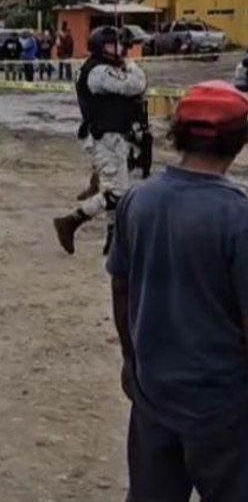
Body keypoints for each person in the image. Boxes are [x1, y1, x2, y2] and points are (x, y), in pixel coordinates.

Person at [107, 81, 248, 501]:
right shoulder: (238, 217)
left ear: (177, 133)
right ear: (240, 141)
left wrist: (132, 361)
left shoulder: (138, 200)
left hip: (153, 393)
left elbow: (121, 289)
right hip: (222, 406)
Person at [53, 26, 146, 255]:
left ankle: (113, 241)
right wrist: (131, 65)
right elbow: (134, 85)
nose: (118, 49)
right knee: (117, 193)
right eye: (112, 45)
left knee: (115, 188)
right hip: (106, 137)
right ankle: (71, 221)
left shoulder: (97, 67)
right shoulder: (98, 71)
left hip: (111, 136)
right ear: (100, 47)